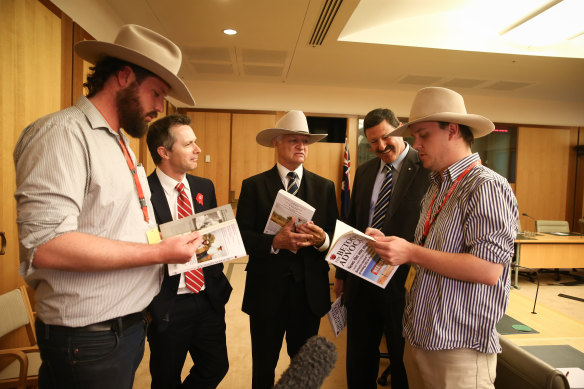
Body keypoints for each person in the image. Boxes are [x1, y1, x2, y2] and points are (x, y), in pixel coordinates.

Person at [13, 24, 201, 389]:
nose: (160, 108)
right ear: (124, 76)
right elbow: (47, 244)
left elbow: (116, 228)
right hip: (89, 339)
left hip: (124, 329)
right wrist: (159, 253)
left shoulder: (120, 144)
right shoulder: (63, 134)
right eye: (156, 94)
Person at [369, 87, 518, 389]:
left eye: (423, 135)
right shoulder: (436, 186)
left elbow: (488, 270)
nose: (416, 145)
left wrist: (410, 252)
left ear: (452, 131)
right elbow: (431, 254)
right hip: (419, 337)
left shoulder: (486, 186)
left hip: (459, 350)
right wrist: (390, 246)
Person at [236, 110, 339, 389]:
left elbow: (334, 239)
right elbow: (242, 237)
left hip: (309, 295)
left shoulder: (325, 187)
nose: (301, 146)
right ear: (276, 143)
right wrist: (273, 243)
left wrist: (322, 241)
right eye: (294, 140)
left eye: (305, 141)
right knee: (263, 367)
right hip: (266, 293)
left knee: (304, 370)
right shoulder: (253, 186)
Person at [334, 108, 430, 389]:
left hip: (402, 283)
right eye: (373, 141)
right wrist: (341, 274)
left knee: (401, 359)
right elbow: (352, 223)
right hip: (362, 278)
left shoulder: (426, 168)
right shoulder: (363, 172)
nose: (381, 146)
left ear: (399, 128)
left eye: (386, 137)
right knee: (360, 356)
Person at [146, 114, 232, 389]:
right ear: (164, 152)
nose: (198, 149)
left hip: (206, 297)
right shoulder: (142, 194)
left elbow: (213, 240)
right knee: (165, 377)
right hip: (167, 303)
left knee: (216, 366)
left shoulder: (203, 187)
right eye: (189, 144)